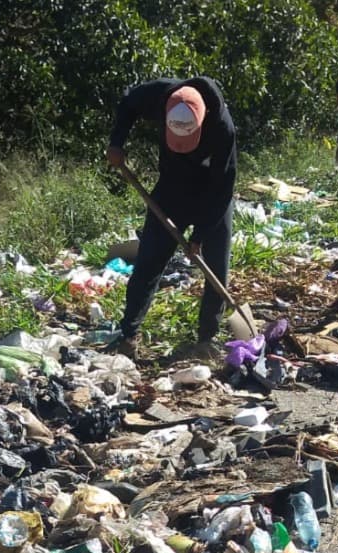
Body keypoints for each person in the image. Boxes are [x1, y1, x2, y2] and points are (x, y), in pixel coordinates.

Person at [105, 76, 236, 361]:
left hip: (211, 192)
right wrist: (116, 143)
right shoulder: (158, 95)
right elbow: (127, 104)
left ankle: (206, 339)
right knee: (148, 261)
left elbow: (223, 187)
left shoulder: (222, 127)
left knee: (216, 267)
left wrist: (199, 236)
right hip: (171, 188)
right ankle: (128, 335)